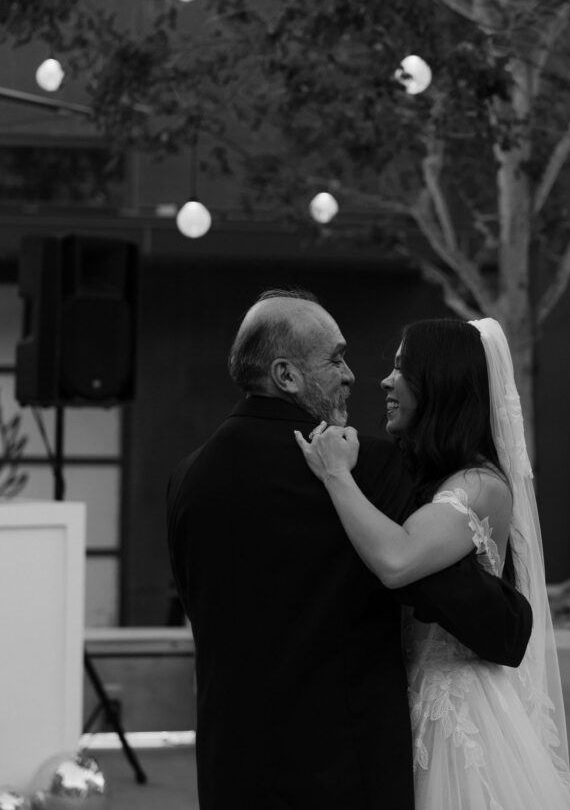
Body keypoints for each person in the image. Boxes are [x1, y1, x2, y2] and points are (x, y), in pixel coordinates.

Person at [167, 291, 532, 810]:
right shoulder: (370, 467)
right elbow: (475, 612)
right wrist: (512, 617)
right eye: (336, 358)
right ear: (287, 376)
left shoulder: (185, 479)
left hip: (231, 770)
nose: (355, 374)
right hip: (347, 770)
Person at [296, 317, 570, 810]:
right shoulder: (432, 478)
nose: (385, 381)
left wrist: (336, 475)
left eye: (402, 369)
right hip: (405, 704)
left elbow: (397, 560)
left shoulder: (478, 484)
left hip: (457, 714)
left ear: (440, 384)